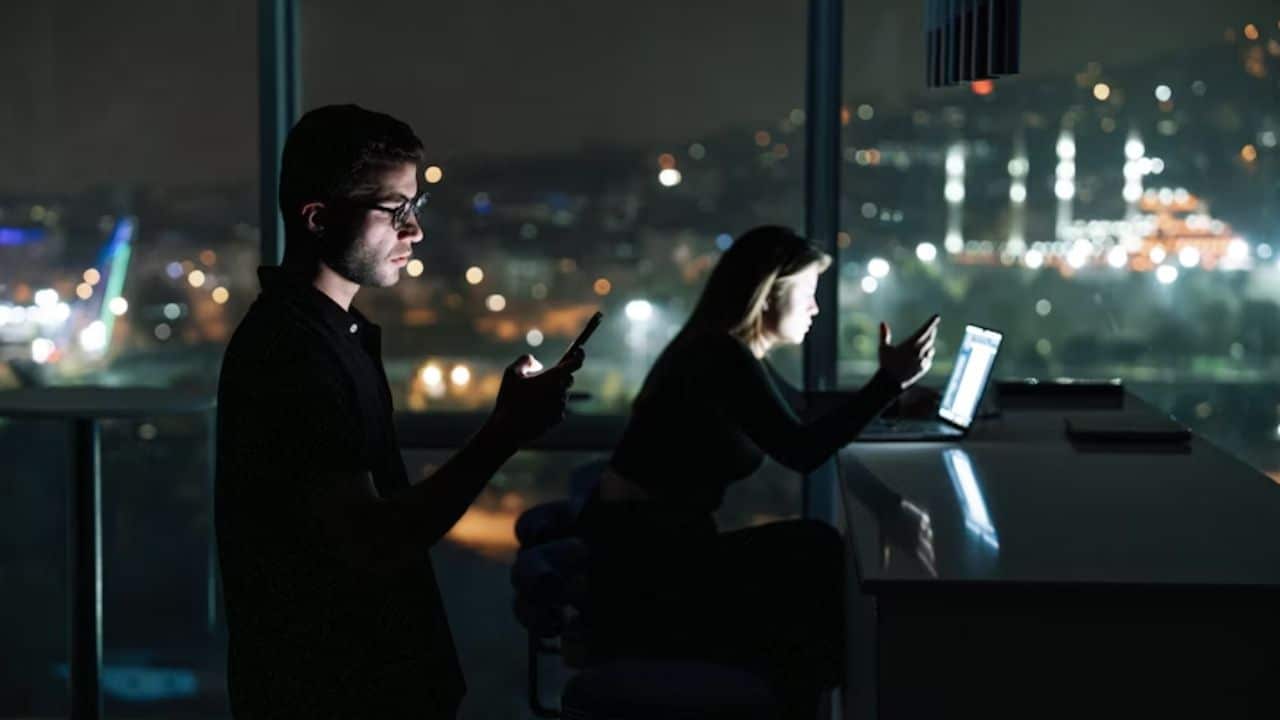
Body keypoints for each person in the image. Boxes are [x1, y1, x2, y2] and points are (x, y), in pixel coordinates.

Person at [215, 104, 583, 718]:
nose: (414, 231)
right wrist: (503, 431)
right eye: (394, 210)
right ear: (317, 217)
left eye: (416, 207)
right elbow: (370, 540)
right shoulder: (293, 355)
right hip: (339, 692)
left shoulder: (327, 334)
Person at [577, 225, 938, 717]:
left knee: (811, 556)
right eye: (808, 294)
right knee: (814, 552)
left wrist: (891, 396)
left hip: (651, 551)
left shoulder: (727, 351)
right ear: (769, 295)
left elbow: (803, 411)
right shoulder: (720, 356)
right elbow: (801, 449)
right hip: (650, 568)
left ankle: (823, 696)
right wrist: (885, 385)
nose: (816, 309)